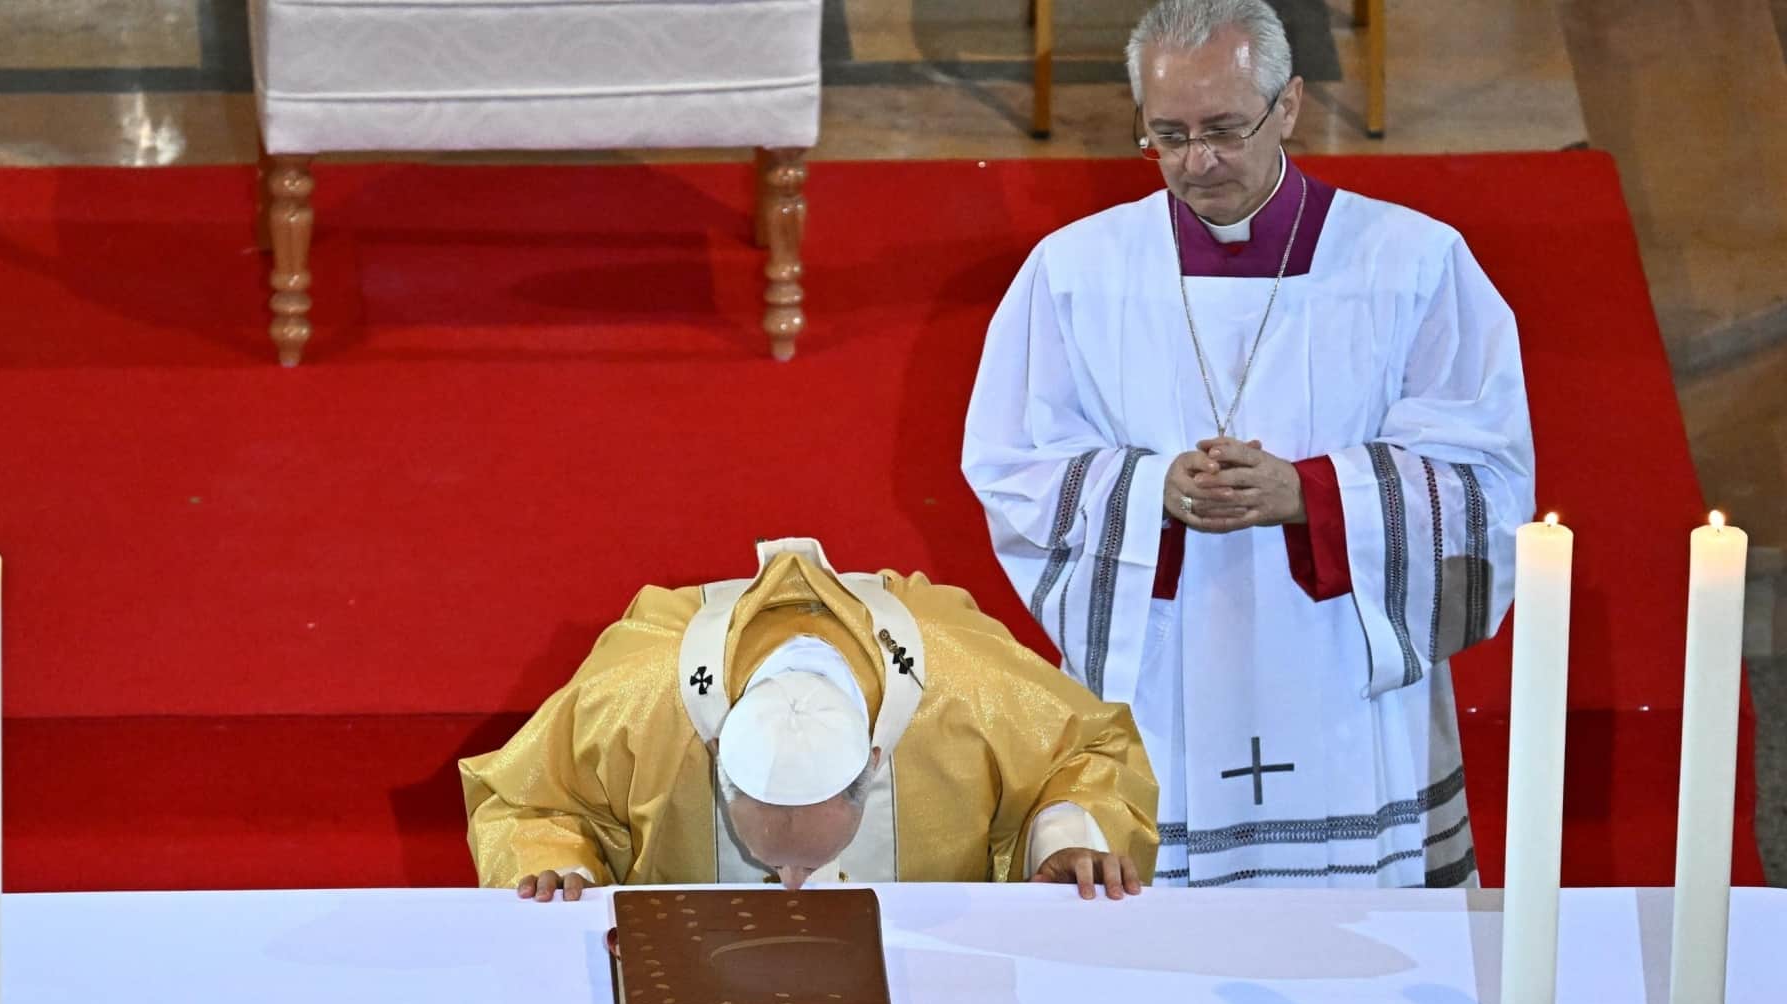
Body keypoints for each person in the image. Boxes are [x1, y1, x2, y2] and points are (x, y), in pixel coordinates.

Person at [961, 0, 1534, 888]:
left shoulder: (1411, 263)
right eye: (1168, 135)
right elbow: (1009, 465)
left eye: (1225, 129)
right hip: (1166, 667)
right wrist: (1149, 490)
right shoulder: (1074, 273)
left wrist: (1314, 494)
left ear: (1290, 105)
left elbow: (1488, 478)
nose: (1197, 162)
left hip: (1344, 672)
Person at [461, 537, 1158, 900]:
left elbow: (1086, 751)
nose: (795, 889)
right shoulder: (637, 699)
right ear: (715, 760)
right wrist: (556, 865)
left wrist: (1067, 837)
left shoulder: (968, 686)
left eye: (807, 862)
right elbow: (531, 799)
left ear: (876, 763)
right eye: (772, 860)